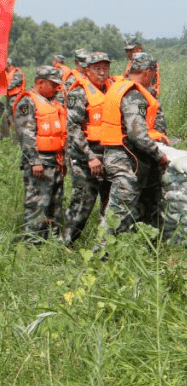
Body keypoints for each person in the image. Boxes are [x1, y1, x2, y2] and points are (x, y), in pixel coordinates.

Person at [99, 52, 169, 235]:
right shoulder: (133, 94)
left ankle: (141, 244)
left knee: (144, 202)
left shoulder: (118, 87)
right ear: (146, 72)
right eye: (153, 74)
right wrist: (159, 155)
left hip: (120, 154)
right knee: (121, 205)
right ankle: (102, 253)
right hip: (123, 156)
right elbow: (136, 133)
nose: (153, 78)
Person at [63, 51, 113, 246]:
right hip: (85, 157)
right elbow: (73, 128)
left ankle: (105, 245)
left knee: (109, 202)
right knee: (83, 201)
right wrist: (90, 156)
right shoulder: (78, 93)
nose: (102, 72)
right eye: (97, 68)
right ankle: (67, 243)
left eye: (105, 67)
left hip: (109, 155)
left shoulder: (112, 90)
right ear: (88, 70)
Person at [13, 66, 66, 243]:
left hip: (55, 160)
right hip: (39, 162)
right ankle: (32, 243)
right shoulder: (27, 102)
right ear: (40, 82)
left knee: (54, 203)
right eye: (53, 84)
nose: (57, 88)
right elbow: (25, 135)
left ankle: (51, 241)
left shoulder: (53, 102)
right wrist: (35, 161)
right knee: (37, 203)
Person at [2, 59, 25, 138]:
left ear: (9, 64)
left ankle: (17, 138)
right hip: (9, 98)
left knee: (15, 118)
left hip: (16, 98)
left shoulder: (17, 73)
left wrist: (3, 88)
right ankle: (7, 137)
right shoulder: (7, 73)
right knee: (7, 117)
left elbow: (12, 85)